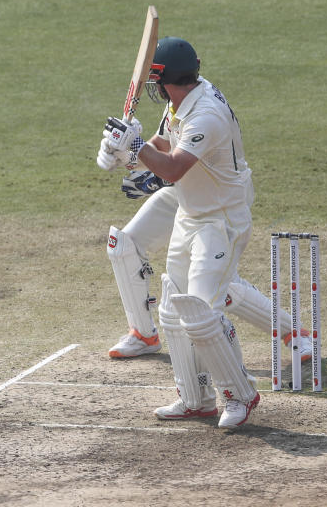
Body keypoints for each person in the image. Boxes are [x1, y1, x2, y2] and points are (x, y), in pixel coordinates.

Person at [97, 36, 261, 429]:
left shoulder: (206, 114)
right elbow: (161, 144)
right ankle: (195, 399)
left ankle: (240, 395)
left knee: (202, 313)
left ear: (162, 80)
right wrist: (122, 150)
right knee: (174, 311)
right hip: (192, 213)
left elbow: (171, 168)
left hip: (221, 221)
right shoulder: (181, 101)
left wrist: (135, 145)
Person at [105, 170, 312, 362]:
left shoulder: (211, 127)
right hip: (183, 190)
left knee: (217, 284)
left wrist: (159, 176)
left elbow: (188, 162)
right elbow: (162, 142)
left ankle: (293, 332)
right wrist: (133, 155)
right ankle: (143, 335)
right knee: (123, 245)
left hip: (220, 195)